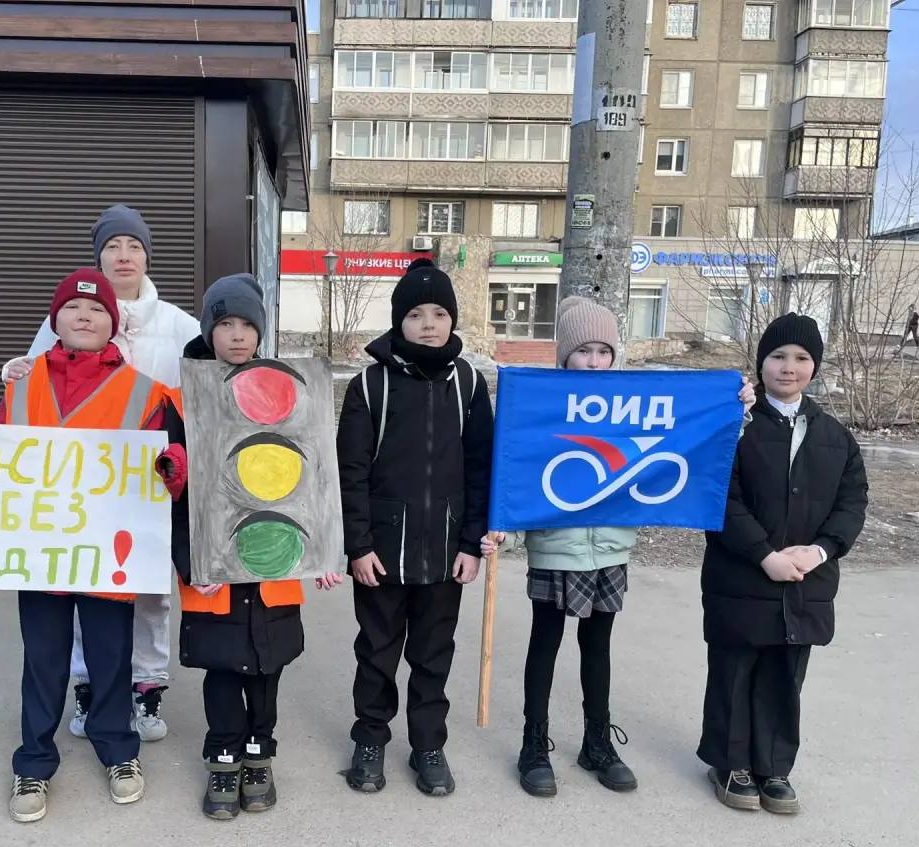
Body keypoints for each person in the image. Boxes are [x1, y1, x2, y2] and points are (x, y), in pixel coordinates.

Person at [0, 268, 173, 823]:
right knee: (43, 662)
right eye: (73, 307)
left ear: (113, 323)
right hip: (39, 556)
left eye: (98, 309)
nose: (85, 316)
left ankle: (118, 751)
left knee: (112, 659)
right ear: (55, 319)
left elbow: (168, 467)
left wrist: (172, 467)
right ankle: (33, 760)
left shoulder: (145, 392)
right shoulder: (22, 382)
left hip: (108, 555)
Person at [482, 298, 756, 799]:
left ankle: (597, 742)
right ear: (565, 354)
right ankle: (533, 743)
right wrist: (505, 529)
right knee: (545, 642)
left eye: (603, 351)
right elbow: (518, 472)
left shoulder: (632, 401)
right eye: (583, 351)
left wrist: (733, 406)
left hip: (609, 547)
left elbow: (689, 434)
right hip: (555, 545)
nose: (594, 362)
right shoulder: (542, 405)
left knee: (598, 645)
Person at [3, 205, 200, 743]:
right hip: (75, 488)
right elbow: (34, 381)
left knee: (150, 590)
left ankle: (147, 687)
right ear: (99, 256)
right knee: (76, 580)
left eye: (134, 246)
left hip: (148, 482)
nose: (124, 255)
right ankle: (87, 684)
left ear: (147, 256)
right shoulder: (73, 314)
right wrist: (11, 371)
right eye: (113, 246)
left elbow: (213, 381)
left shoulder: (178, 325)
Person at [162, 274, 342, 819]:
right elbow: (171, 496)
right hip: (211, 571)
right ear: (208, 330)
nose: (237, 335)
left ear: (261, 332)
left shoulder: (289, 393)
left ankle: (259, 753)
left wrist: (325, 548)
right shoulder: (181, 400)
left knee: (268, 667)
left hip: (274, 566)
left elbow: (314, 477)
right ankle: (223, 757)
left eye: (247, 324)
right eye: (225, 324)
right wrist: (189, 562)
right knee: (222, 668)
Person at [698, 313, 867, 814]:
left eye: (801, 358)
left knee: (784, 675)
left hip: (805, 582)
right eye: (777, 356)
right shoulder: (735, 429)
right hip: (741, 576)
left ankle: (774, 767)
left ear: (814, 366)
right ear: (761, 363)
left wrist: (820, 551)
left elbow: (852, 504)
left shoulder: (836, 438)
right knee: (735, 671)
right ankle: (730, 763)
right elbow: (719, 500)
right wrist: (764, 555)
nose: (788, 367)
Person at [336, 257, 493, 797]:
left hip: (447, 551)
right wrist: (358, 545)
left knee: (432, 654)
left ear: (453, 320)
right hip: (382, 552)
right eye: (416, 314)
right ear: (398, 321)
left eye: (439, 314)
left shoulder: (468, 384)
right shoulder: (370, 386)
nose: (428, 324)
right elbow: (350, 473)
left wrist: (472, 543)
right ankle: (370, 739)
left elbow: (481, 467)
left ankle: (428, 744)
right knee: (377, 652)